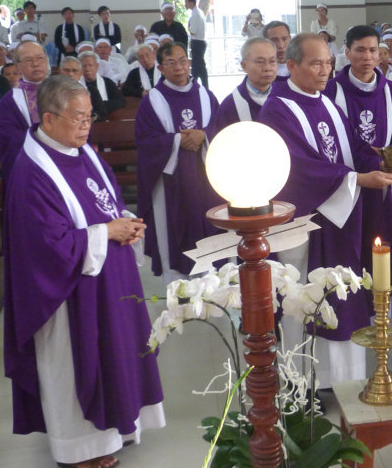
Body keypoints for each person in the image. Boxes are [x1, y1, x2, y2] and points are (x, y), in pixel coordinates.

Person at [2, 75, 164, 468]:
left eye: (90, 116)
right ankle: (78, 448)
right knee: (73, 363)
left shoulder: (83, 151)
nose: (86, 125)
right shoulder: (31, 171)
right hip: (67, 293)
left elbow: (104, 200)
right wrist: (108, 232)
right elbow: (45, 244)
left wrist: (125, 221)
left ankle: (119, 428)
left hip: (110, 279)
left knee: (118, 351)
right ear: (48, 118)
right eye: (78, 117)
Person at [257, 33, 392, 385]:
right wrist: (358, 179)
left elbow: (353, 147)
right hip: (303, 225)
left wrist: (381, 162)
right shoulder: (276, 109)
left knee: (341, 297)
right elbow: (297, 167)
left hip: (339, 219)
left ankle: (343, 380)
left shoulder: (328, 104)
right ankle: (303, 382)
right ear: (291, 65)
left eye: (328, 63)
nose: (325, 71)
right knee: (302, 299)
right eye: (316, 63)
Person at [326, 25, 392, 303]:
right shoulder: (330, 91)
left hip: (385, 187)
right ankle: (353, 306)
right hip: (347, 186)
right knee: (352, 251)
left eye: (373, 50)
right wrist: (370, 158)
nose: (368, 56)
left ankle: (386, 306)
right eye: (360, 50)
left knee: (386, 244)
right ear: (347, 52)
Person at [135, 41, 220, 285]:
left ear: (190, 63)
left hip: (207, 178)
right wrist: (176, 140)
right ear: (161, 68)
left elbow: (221, 127)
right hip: (170, 181)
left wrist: (203, 135)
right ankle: (178, 288)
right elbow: (145, 141)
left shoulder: (206, 95)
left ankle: (212, 283)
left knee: (208, 228)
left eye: (183, 60)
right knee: (173, 233)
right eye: (171, 63)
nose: (179, 67)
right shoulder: (152, 101)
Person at [0, 40, 50, 180]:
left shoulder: (63, 92)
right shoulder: (10, 100)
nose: (35, 64)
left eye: (40, 58)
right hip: (29, 169)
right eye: (28, 60)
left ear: (47, 60)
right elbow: (9, 138)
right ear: (18, 66)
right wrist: (46, 139)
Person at [210, 37, 278, 133]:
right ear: (244, 66)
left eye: (272, 61)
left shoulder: (286, 98)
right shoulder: (230, 105)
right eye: (260, 62)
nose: (267, 68)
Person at [79, 50, 125, 121]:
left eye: (90, 65)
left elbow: (120, 101)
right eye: (84, 66)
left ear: (97, 66)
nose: (87, 69)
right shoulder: (77, 84)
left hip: (107, 120)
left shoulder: (107, 82)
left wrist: (102, 105)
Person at [184, 0, 208, 89]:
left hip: (197, 42)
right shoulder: (199, 12)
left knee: (200, 66)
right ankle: (194, 85)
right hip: (200, 42)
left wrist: (188, 26)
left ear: (191, 2)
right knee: (196, 67)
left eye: (186, 2)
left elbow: (192, 31)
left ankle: (204, 87)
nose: (185, 4)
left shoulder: (195, 14)